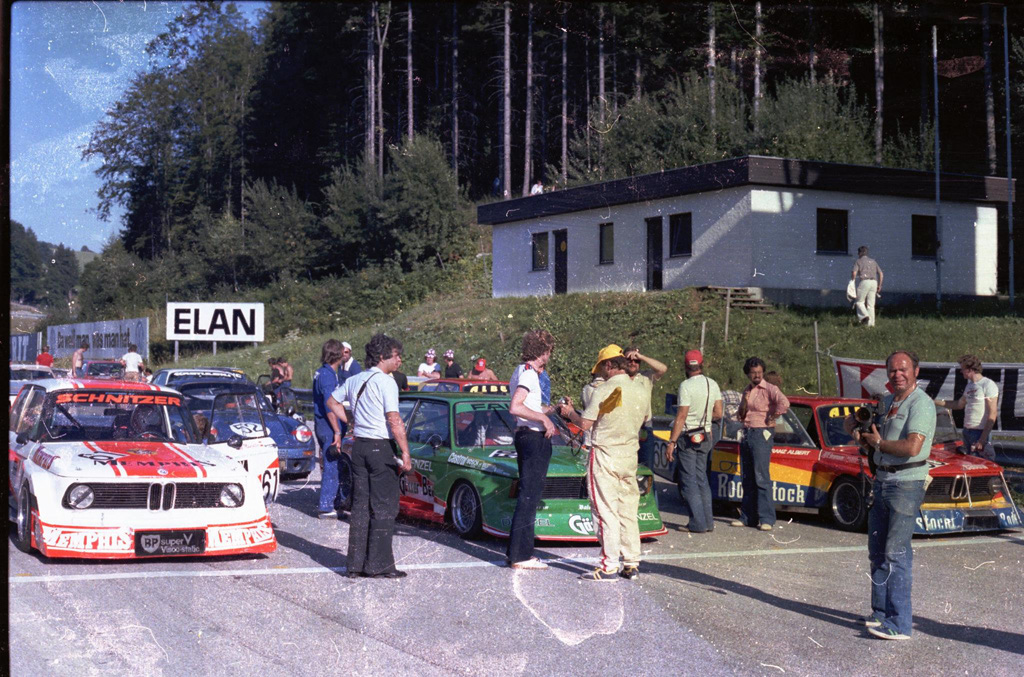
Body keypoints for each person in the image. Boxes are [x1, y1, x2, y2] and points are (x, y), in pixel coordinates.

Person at [845, 350, 934, 641]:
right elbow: (870, 438)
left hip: (906, 483)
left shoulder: (921, 403)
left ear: (916, 371)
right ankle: (880, 613)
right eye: (893, 370)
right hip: (882, 480)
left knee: (896, 553)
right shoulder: (887, 402)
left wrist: (880, 443)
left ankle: (900, 623)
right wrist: (859, 431)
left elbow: (912, 447)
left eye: (903, 369)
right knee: (877, 551)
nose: (898, 375)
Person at [559, 350, 651, 581]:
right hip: (629, 454)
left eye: (601, 368)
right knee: (627, 510)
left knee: (604, 509)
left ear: (609, 365)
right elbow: (644, 419)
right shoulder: (642, 389)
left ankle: (609, 564)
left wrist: (570, 413)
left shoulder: (604, 389)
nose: (601, 373)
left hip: (605, 454)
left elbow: (585, 424)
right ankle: (631, 562)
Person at [327, 334, 412, 579]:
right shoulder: (387, 382)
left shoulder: (355, 379)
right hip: (379, 447)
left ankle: (354, 565)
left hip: (360, 446)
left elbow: (331, 402)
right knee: (384, 505)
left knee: (361, 506)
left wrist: (351, 420)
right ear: (382, 356)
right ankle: (379, 565)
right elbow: (394, 420)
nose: (399, 360)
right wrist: (405, 452)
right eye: (396, 355)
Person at [506, 329, 557, 570]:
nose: (550, 355)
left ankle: (519, 552)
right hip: (533, 438)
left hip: (525, 435)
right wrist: (544, 419)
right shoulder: (528, 374)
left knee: (528, 495)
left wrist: (552, 410)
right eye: (549, 351)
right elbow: (515, 407)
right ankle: (520, 555)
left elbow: (529, 407)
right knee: (530, 497)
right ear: (543, 351)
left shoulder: (521, 371)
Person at [667, 350, 723, 534]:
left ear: (685, 366)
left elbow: (681, 415)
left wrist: (672, 441)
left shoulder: (685, 386)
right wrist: (704, 419)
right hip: (706, 434)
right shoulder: (712, 383)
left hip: (687, 435)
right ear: (702, 364)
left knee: (688, 480)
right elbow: (719, 413)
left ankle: (697, 523)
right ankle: (708, 522)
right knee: (702, 478)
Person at [732, 356, 790, 531]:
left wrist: (774, 415)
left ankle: (767, 519)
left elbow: (784, 403)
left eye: (759, 372)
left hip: (762, 434)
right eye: (753, 372)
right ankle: (747, 517)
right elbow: (742, 414)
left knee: (761, 477)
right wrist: (744, 401)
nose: (756, 375)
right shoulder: (747, 390)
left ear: (763, 372)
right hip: (747, 432)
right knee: (747, 477)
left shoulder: (770, 389)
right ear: (748, 374)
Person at [935, 354, 998, 461]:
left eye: (962, 369)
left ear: (969, 369)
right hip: (967, 431)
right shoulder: (969, 386)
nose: (961, 371)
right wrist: (934, 402)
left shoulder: (988, 384)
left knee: (981, 464)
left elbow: (993, 413)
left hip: (980, 431)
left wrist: (982, 439)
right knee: (969, 463)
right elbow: (958, 404)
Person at [313, 339, 345, 519]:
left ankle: (334, 502)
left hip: (322, 424)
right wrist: (337, 431)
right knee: (331, 464)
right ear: (337, 355)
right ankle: (326, 506)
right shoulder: (327, 375)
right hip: (327, 425)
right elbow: (329, 405)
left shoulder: (323, 372)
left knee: (333, 463)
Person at [625, 347, 668, 468]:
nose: (633, 363)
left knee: (646, 466)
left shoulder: (646, 377)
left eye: (636, 361)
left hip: (644, 428)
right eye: (629, 360)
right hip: (626, 428)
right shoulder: (619, 378)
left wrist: (642, 356)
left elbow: (663, 369)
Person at [852, 245, 884, 327]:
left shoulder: (858, 261)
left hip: (865, 282)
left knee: (859, 301)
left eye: (858, 253)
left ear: (860, 253)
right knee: (871, 305)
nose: (858, 254)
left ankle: (864, 316)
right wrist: (880, 285)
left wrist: (852, 281)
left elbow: (854, 273)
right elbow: (881, 273)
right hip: (874, 282)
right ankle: (871, 325)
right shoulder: (873, 261)